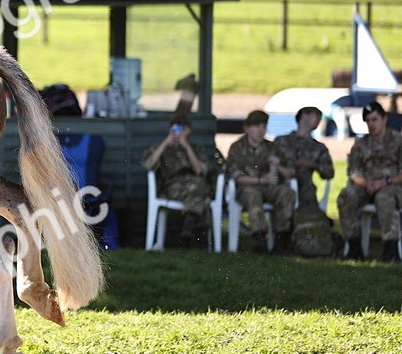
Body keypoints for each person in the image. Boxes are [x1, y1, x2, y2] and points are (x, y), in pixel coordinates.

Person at [336, 101, 402, 262]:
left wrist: (385, 182)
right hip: (366, 186)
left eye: (375, 119)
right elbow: (353, 171)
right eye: (368, 121)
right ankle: (354, 246)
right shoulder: (361, 144)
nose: (371, 124)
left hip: (392, 187)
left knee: (384, 197)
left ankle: (391, 249)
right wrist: (366, 184)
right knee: (346, 195)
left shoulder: (398, 141)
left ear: (384, 119)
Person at [141, 117, 221, 247]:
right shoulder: (161, 147)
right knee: (203, 197)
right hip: (173, 185)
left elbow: (199, 171)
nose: (180, 132)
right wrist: (165, 143)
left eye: (184, 129)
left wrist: (187, 147)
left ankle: (189, 228)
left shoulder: (196, 148)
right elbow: (148, 165)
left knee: (197, 186)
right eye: (177, 128)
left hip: (195, 182)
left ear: (189, 131)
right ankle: (199, 236)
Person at [226, 109, 295, 253]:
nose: (261, 130)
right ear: (247, 128)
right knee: (253, 195)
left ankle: (280, 239)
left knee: (286, 192)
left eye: (264, 126)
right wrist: (261, 180)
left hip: (270, 187)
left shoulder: (272, 147)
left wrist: (278, 166)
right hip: (246, 188)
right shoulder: (237, 148)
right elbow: (236, 176)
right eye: (257, 126)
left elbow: (290, 173)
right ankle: (259, 238)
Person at [274, 106, 335, 209]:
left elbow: (329, 173)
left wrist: (314, 165)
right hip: (281, 188)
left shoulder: (318, 147)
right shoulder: (281, 141)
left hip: (306, 194)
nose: (319, 119)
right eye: (316, 115)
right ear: (304, 115)